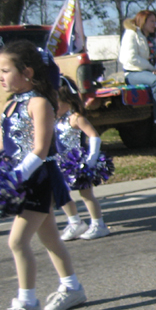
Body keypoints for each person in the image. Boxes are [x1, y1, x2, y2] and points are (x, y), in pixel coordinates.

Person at [0, 41, 86, 310]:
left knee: (17, 241)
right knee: (50, 239)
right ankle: (72, 287)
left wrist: (16, 176)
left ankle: (27, 303)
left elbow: (41, 149)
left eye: (5, 70)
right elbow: (0, 144)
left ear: (27, 72)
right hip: (18, 181)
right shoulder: (11, 104)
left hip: (37, 180)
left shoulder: (40, 103)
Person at [55, 77, 110, 241]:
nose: (52, 107)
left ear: (67, 101)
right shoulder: (55, 119)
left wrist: (91, 159)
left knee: (86, 195)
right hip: (60, 163)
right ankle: (75, 222)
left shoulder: (76, 118)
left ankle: (99, 224)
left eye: (56, 103)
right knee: (61, 194)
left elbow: (94, 136)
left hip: (78, 164)